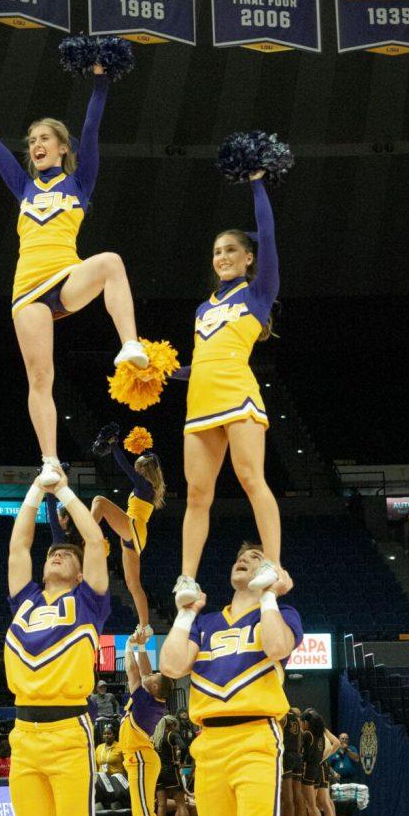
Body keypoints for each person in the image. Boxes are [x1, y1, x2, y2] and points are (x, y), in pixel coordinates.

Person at [0, 54, 147, 487]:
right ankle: (50, 461)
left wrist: (100, 82)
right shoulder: (22, 186)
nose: (36, 144)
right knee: (41, 375)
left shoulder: (80, 184)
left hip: (67, 276)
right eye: (32, 140)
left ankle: (130, 344)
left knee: (111, 262)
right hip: (27, 292)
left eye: (45, 138)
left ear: (63, 148)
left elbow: (92, 129)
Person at [161, 543, 302, 816]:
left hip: (257, 736)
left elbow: (278, 647)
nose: (243, 558)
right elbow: (170, 666)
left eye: (256, 556)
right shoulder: (204, 623)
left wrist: (268, 596)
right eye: (239, 556)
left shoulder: (283, 613)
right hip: (210, 743)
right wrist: (184, 614)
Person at [2, 467, 110, 816]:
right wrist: (33, 491)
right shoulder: (24, 599)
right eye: (53, 553)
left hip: (70, 730)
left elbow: (94, 538)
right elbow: (18, 547)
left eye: (63, 552)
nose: (57, 554)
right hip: (24, 734)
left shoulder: (89, 601)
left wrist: (62, 489)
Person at [172, 172, 284, 608]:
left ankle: (273, 563)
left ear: (249, 258)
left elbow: (269, 233)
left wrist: (256, 184)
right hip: (199, 404)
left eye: (231, 250)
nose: (222, 257)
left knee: (251, 478)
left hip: (238, 395)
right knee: (198, 496)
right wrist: (163, 372)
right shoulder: (204, 308)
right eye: (217, 252)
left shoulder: (258, 294)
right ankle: (186, 578)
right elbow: (202, 363)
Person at [91, 426, 165, 637]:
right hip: (137, 534)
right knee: (133, 584)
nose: (137, 470)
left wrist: (115, 445)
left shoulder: (144, 485)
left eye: (139, 468)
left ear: (145, 471)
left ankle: (84, 536)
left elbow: (124, 467)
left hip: (134, 525)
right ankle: (145, 626)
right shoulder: (148, 489)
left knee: (99, 502)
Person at [119, 632, 172, 816]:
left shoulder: (145, 703)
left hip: (141, 758)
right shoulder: (153, 696)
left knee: (144, 811)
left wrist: (129, 646)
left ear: (152, 687)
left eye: (152, 677)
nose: (149, 675)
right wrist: (142, 646)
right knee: (139, 811)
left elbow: (133, 672)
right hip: (137, 759)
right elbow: (146, 672)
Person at [154, 715, 200, 816]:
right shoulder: (172, 735)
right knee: (181, 804)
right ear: (171, 725)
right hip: (171, 772)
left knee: (161, 805)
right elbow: (184, 747)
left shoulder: (154, 738)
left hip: (158, 773)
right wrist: (180, 762)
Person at [300, 710, 330, 816]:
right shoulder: (321, 737)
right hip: (318, 770)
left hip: (309, 771)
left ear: (306, 723)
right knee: (314, 805)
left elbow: (303, 754)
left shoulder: (307, 734)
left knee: (310, 805)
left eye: (302, 722)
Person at [280, 707, 305, 816]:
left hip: (287, 757)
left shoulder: (282, 717)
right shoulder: (296, 719)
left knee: (286, 797)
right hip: (297, 756)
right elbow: (300, 738)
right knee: (298, 796)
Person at [328, 731, 362, 816]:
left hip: (351, 779)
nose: (344, 740)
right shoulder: (333, 750)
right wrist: (333, 773)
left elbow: (356, 759)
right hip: (339, 780)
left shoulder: (352, 749)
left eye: (346, 738)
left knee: (352, 800)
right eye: (342, 738)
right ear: (338, 739)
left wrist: (347, 750)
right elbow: (328, 765)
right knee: (340, 800)